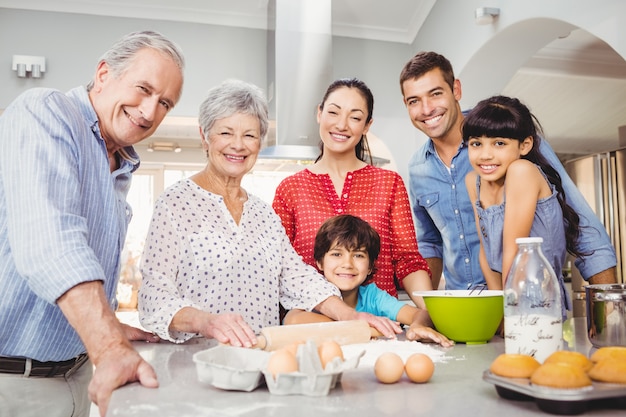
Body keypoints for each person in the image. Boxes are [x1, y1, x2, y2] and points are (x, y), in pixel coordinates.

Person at [138, 79, 403, 350]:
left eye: (250, 135)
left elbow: (296, 277)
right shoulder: (175, 203)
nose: (238, 145)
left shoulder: (263, 214)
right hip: (197, 360)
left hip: (263, 359)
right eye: (226, 133)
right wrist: (205, 322)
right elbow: (153, 296)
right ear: (205, 136)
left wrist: (350, 315)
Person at [0, 31, 185, 417]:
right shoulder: (46, 111)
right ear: (103, 74)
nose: (149, 112)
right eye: (143, 88)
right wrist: (108, 344)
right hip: (13, 384)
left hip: (79, 376)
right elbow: (51, 243)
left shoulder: (121, 162)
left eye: (164, 102)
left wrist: (108, 323)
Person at [399, 51, 617, 291]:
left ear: (456, 90)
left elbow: (583, 227)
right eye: (414, 101)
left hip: (525, 298)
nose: (427, 109)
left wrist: (606, 309)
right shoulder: (418, 168)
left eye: (436, 93)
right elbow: (430, 243)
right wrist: (427, 310)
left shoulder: (513, 141)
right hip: (462, 305)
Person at [272, 78, 433, 309]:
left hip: (380, 326)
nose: (342, 125)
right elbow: (279, 266)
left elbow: (407, 260)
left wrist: (431, 312)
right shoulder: (290, 189)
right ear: (319, 113)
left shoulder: (389, 183)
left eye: (355, 117)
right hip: (311, 325)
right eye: (334, 112)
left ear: (367, 125)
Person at [463, 95, 587, 319]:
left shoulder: (522, 171)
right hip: (506, 298)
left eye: (499, 143)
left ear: (525, 145)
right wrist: (497, 308)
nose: (485, 154)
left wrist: (507, 312)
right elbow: (486, 251)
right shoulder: (474, 181)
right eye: (476, 143)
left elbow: (515, 250)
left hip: (539, 302)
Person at [284, 214, 454, 347]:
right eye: (337, 254)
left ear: (371, 266)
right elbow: (292, 320)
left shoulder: (373, 297)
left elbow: (423, 312)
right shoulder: (313, 293)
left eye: (358, 255)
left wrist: (418, 326)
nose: (347, 264)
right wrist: (367, 328)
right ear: (320, 262)